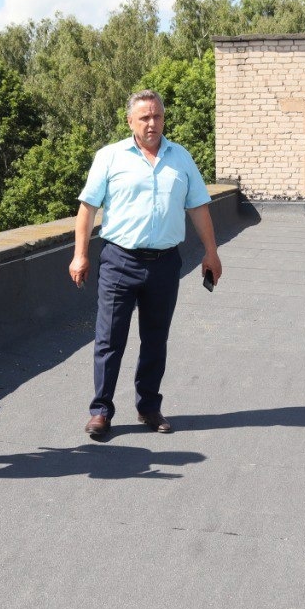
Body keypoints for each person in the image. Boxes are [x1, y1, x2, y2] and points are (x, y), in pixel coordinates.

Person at [69, 89, 222, 437]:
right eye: (144, 118)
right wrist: (80, 255)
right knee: (109, 339)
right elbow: (87, 209)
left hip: (165, 264)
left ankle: (149, 407)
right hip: (119, 260)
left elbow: (198, 207)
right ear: (130, 121)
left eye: (157, 116)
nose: (152, 123)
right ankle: (101, 410)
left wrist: (212, 252)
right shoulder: (109, 157)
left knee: (156, 339)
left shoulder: (181, 158)